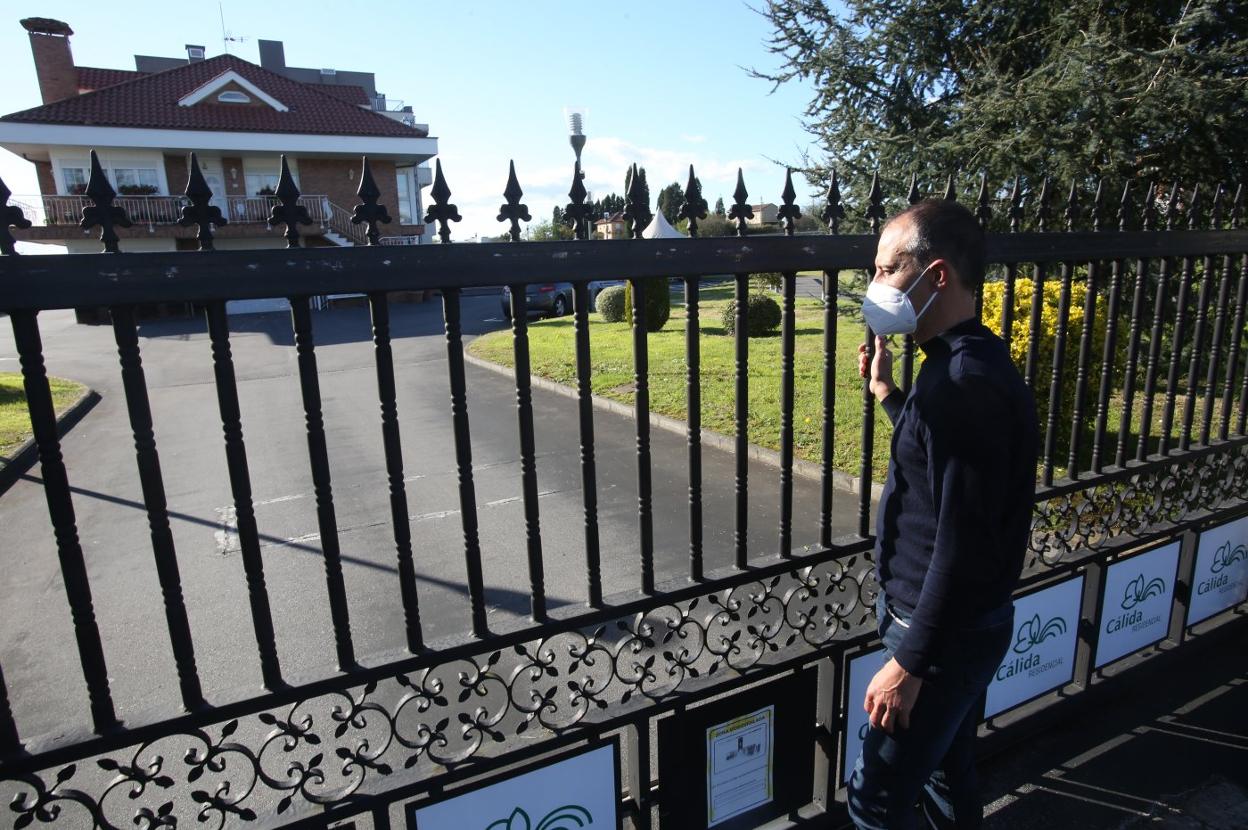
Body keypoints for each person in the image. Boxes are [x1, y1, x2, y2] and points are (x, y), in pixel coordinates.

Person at [847, 199, 1038, 829]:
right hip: (949, 628)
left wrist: (910, 664)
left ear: (935, 277)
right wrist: (888, 395)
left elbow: (965, 543)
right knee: (944, 773)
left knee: (876, 801)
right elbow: (944, 465)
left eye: (885, 270)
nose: (874, 287)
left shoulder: (965, 385)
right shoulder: (956, 367)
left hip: (939, 636)